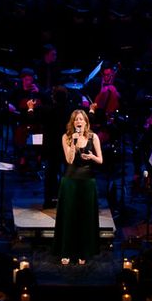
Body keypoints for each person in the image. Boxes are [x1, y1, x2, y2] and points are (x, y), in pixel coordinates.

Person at [54, 109, 103, 265]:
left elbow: (100, 160)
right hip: (70, 181)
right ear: (72, 123)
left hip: (87, 181)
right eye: (76, 119)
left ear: (86, 122)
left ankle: (83, 251)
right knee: (69, 216)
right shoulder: (67, 137)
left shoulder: (93, 137)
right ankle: (66, 251)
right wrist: (73, 143)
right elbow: (69, 160)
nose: (79, 122)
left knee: (85, 217)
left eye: (81, 119)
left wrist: (91, 156)